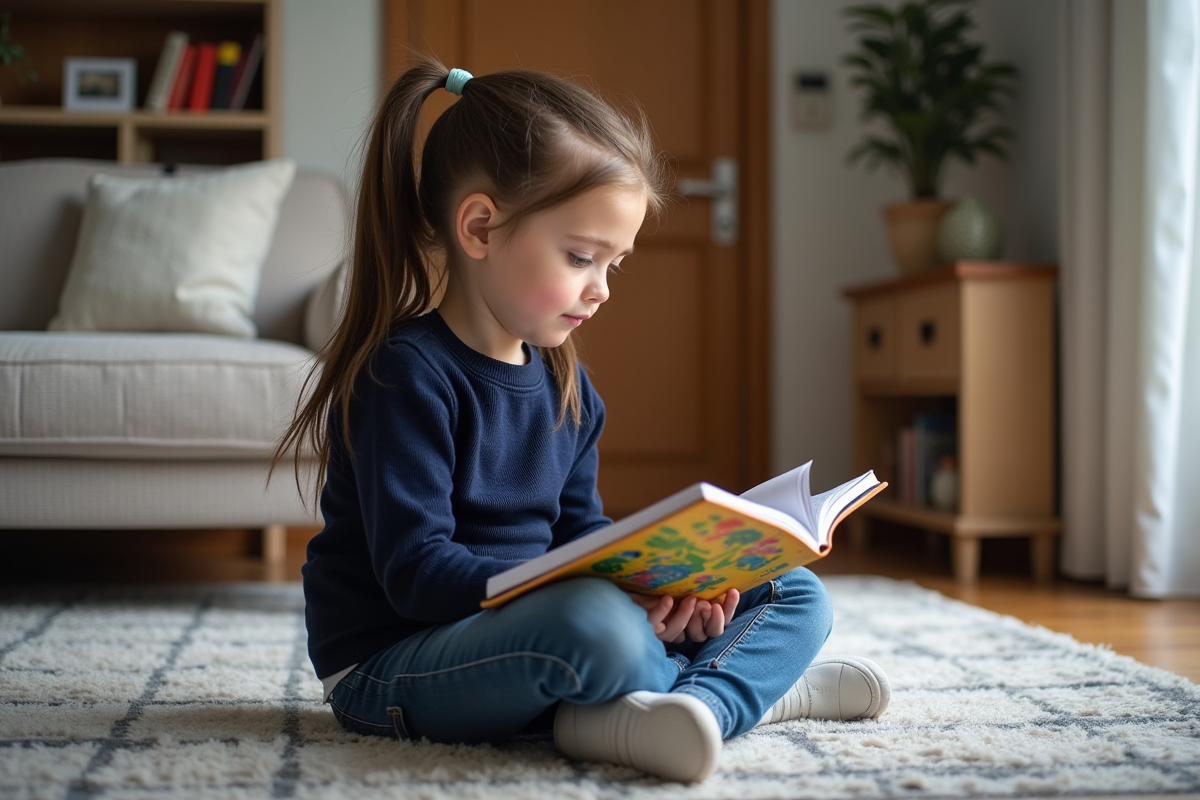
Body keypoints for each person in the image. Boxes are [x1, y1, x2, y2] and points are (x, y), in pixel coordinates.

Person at [273, 60, 890, 784]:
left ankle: (697, 706)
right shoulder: (403, 374)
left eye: (614, 266)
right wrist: (606, 596)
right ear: (480, 227)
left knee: (794, 590)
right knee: (596, 630)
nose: (600, 290)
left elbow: (576, 532)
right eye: (579, 257)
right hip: (394, 664)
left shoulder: (567, 386)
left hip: (541, 636)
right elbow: (416, 575)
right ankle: (746, 692)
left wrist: (668, 581)